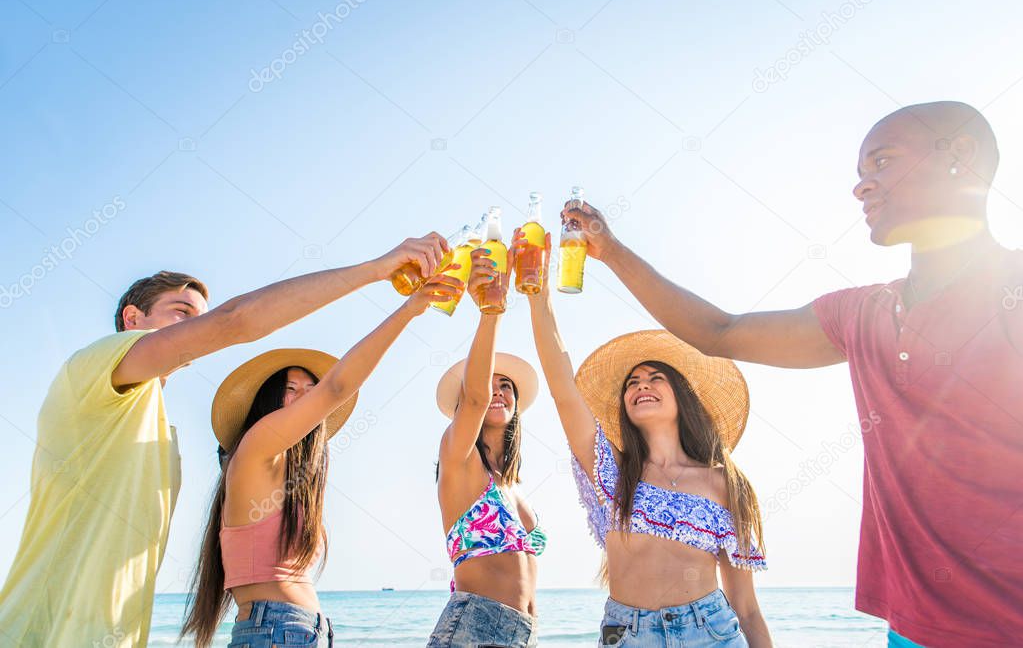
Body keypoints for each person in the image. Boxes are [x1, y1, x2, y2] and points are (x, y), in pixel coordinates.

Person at [561, 101, 1023, 648]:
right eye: (860, 172)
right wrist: (609, 250)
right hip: (912, 628)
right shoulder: (860, 315)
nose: (862, 187)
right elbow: (720, 331)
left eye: (882, 162)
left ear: (959, 156)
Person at [0, 233, 451, 647]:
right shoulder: (94, 366)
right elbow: (236, 322)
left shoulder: (157, 436)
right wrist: (379, 270)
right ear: (131, 318)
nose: (197, 328)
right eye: (182, 314)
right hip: (45, 629)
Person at [519, 230, 771, 647]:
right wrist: (537, 294)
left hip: (710, 631)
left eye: (656, 378)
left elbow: (746, 607)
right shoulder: (612, 471)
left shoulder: (725, 483)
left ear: (682, 397)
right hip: (625, 633)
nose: (641, 385)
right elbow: (561, 383)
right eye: (632, 382)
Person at [181, 273, 461, 647]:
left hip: (296, 629)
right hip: (279, 631)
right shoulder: (256, 447)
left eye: (310, 390)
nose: (305, 398)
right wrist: (410, 309)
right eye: (290, 390)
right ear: (266, 402)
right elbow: (338, 387)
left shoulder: (289, 475)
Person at [427, 245, 544, 648]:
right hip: (473, 628)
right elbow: (474, 398)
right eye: (488, 384)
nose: (497, 392)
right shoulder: (458, 458)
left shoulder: (513, 484)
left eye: (506, 385)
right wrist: (491, 310)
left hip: (518, 635)